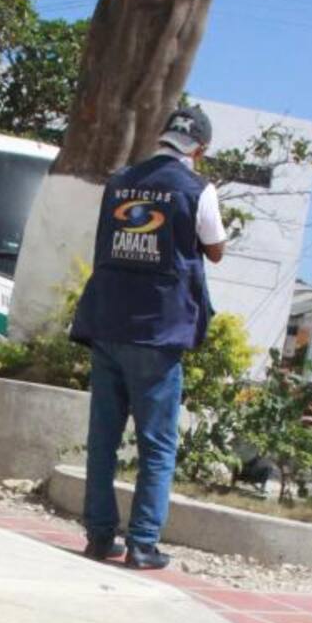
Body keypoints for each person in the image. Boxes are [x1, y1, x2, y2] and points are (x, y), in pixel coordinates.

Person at [69, 103, 227, 570]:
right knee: (157, 444)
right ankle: (142, 544)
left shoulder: (119, 182)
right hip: (158, 331)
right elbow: (215, 250)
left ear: (162, 136)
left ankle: (99, 538)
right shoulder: (198, 189)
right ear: (200, 147)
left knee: (103, 440)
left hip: (107, 321)